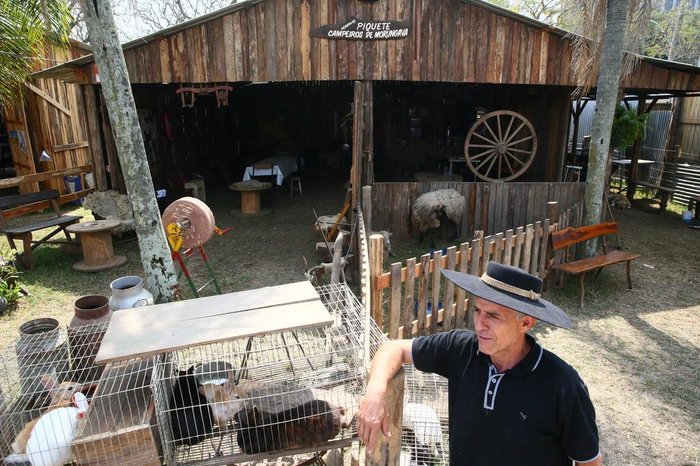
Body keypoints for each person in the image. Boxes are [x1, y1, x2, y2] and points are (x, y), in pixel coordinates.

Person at [357, 261, 602, 466]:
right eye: (477, 311)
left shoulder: (562, 385)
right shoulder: (461, 349)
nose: (479, 324)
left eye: (493, 316)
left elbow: (588, 461)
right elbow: (393, 348)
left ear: (526, 323)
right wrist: (375, 393)